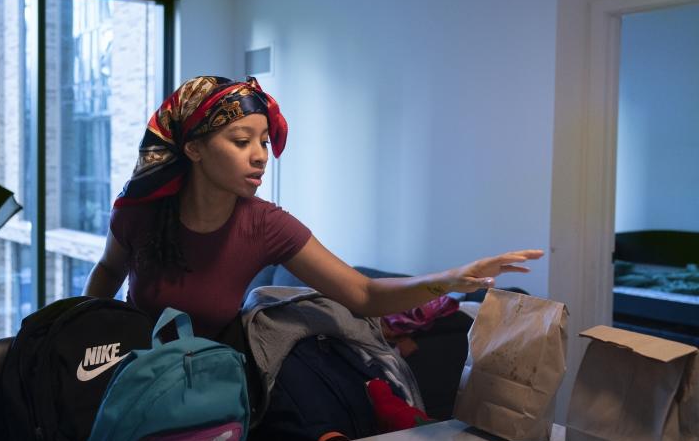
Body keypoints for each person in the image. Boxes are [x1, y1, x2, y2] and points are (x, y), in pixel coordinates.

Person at [83, 75, 543, 340]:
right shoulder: (140, 214)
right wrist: (87, 336)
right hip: (134, 383)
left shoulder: (265, 225)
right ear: (195, 149)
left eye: (264, 140)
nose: (261, 154)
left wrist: (447, 279)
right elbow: (107, 272)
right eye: (241, 141)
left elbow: (363, 295)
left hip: (215, 400)